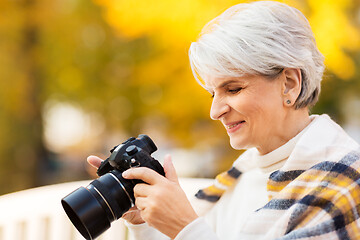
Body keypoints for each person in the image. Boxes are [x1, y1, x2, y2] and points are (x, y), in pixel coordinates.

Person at [88, 1, 360, 239]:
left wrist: (185, 227)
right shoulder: (240, 177)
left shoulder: (344, 185)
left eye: (233, 89)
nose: (215, 111)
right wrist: (146, 223)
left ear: (289, 84)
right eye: (212, 94)